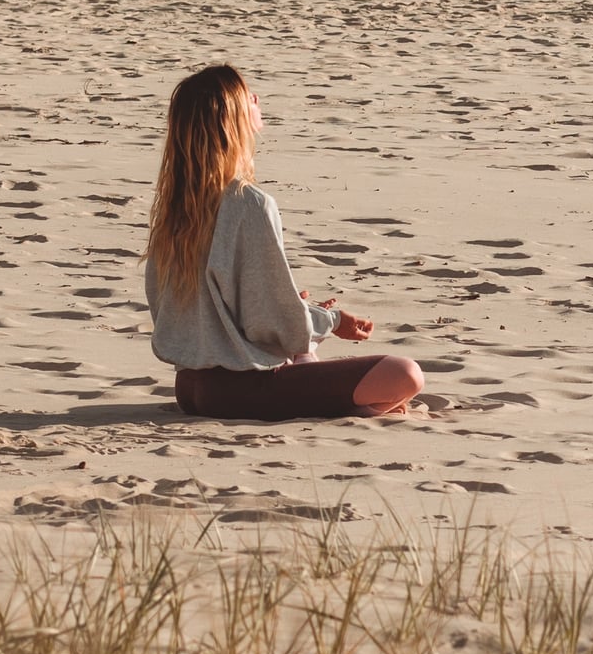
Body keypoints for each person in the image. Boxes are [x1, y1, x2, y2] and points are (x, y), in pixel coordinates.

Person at [145, 63, 423, 419]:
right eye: (248, 97)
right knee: (404, 374)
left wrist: (302, 310)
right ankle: (358, 409)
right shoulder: (249, 203)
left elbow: (183, 313)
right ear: (231, 119)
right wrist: (330, 320)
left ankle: (354, 406)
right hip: (243, 388)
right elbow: (273, 325)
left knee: (309, 351)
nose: (257, 99)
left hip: (190, 387)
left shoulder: (173, 210)